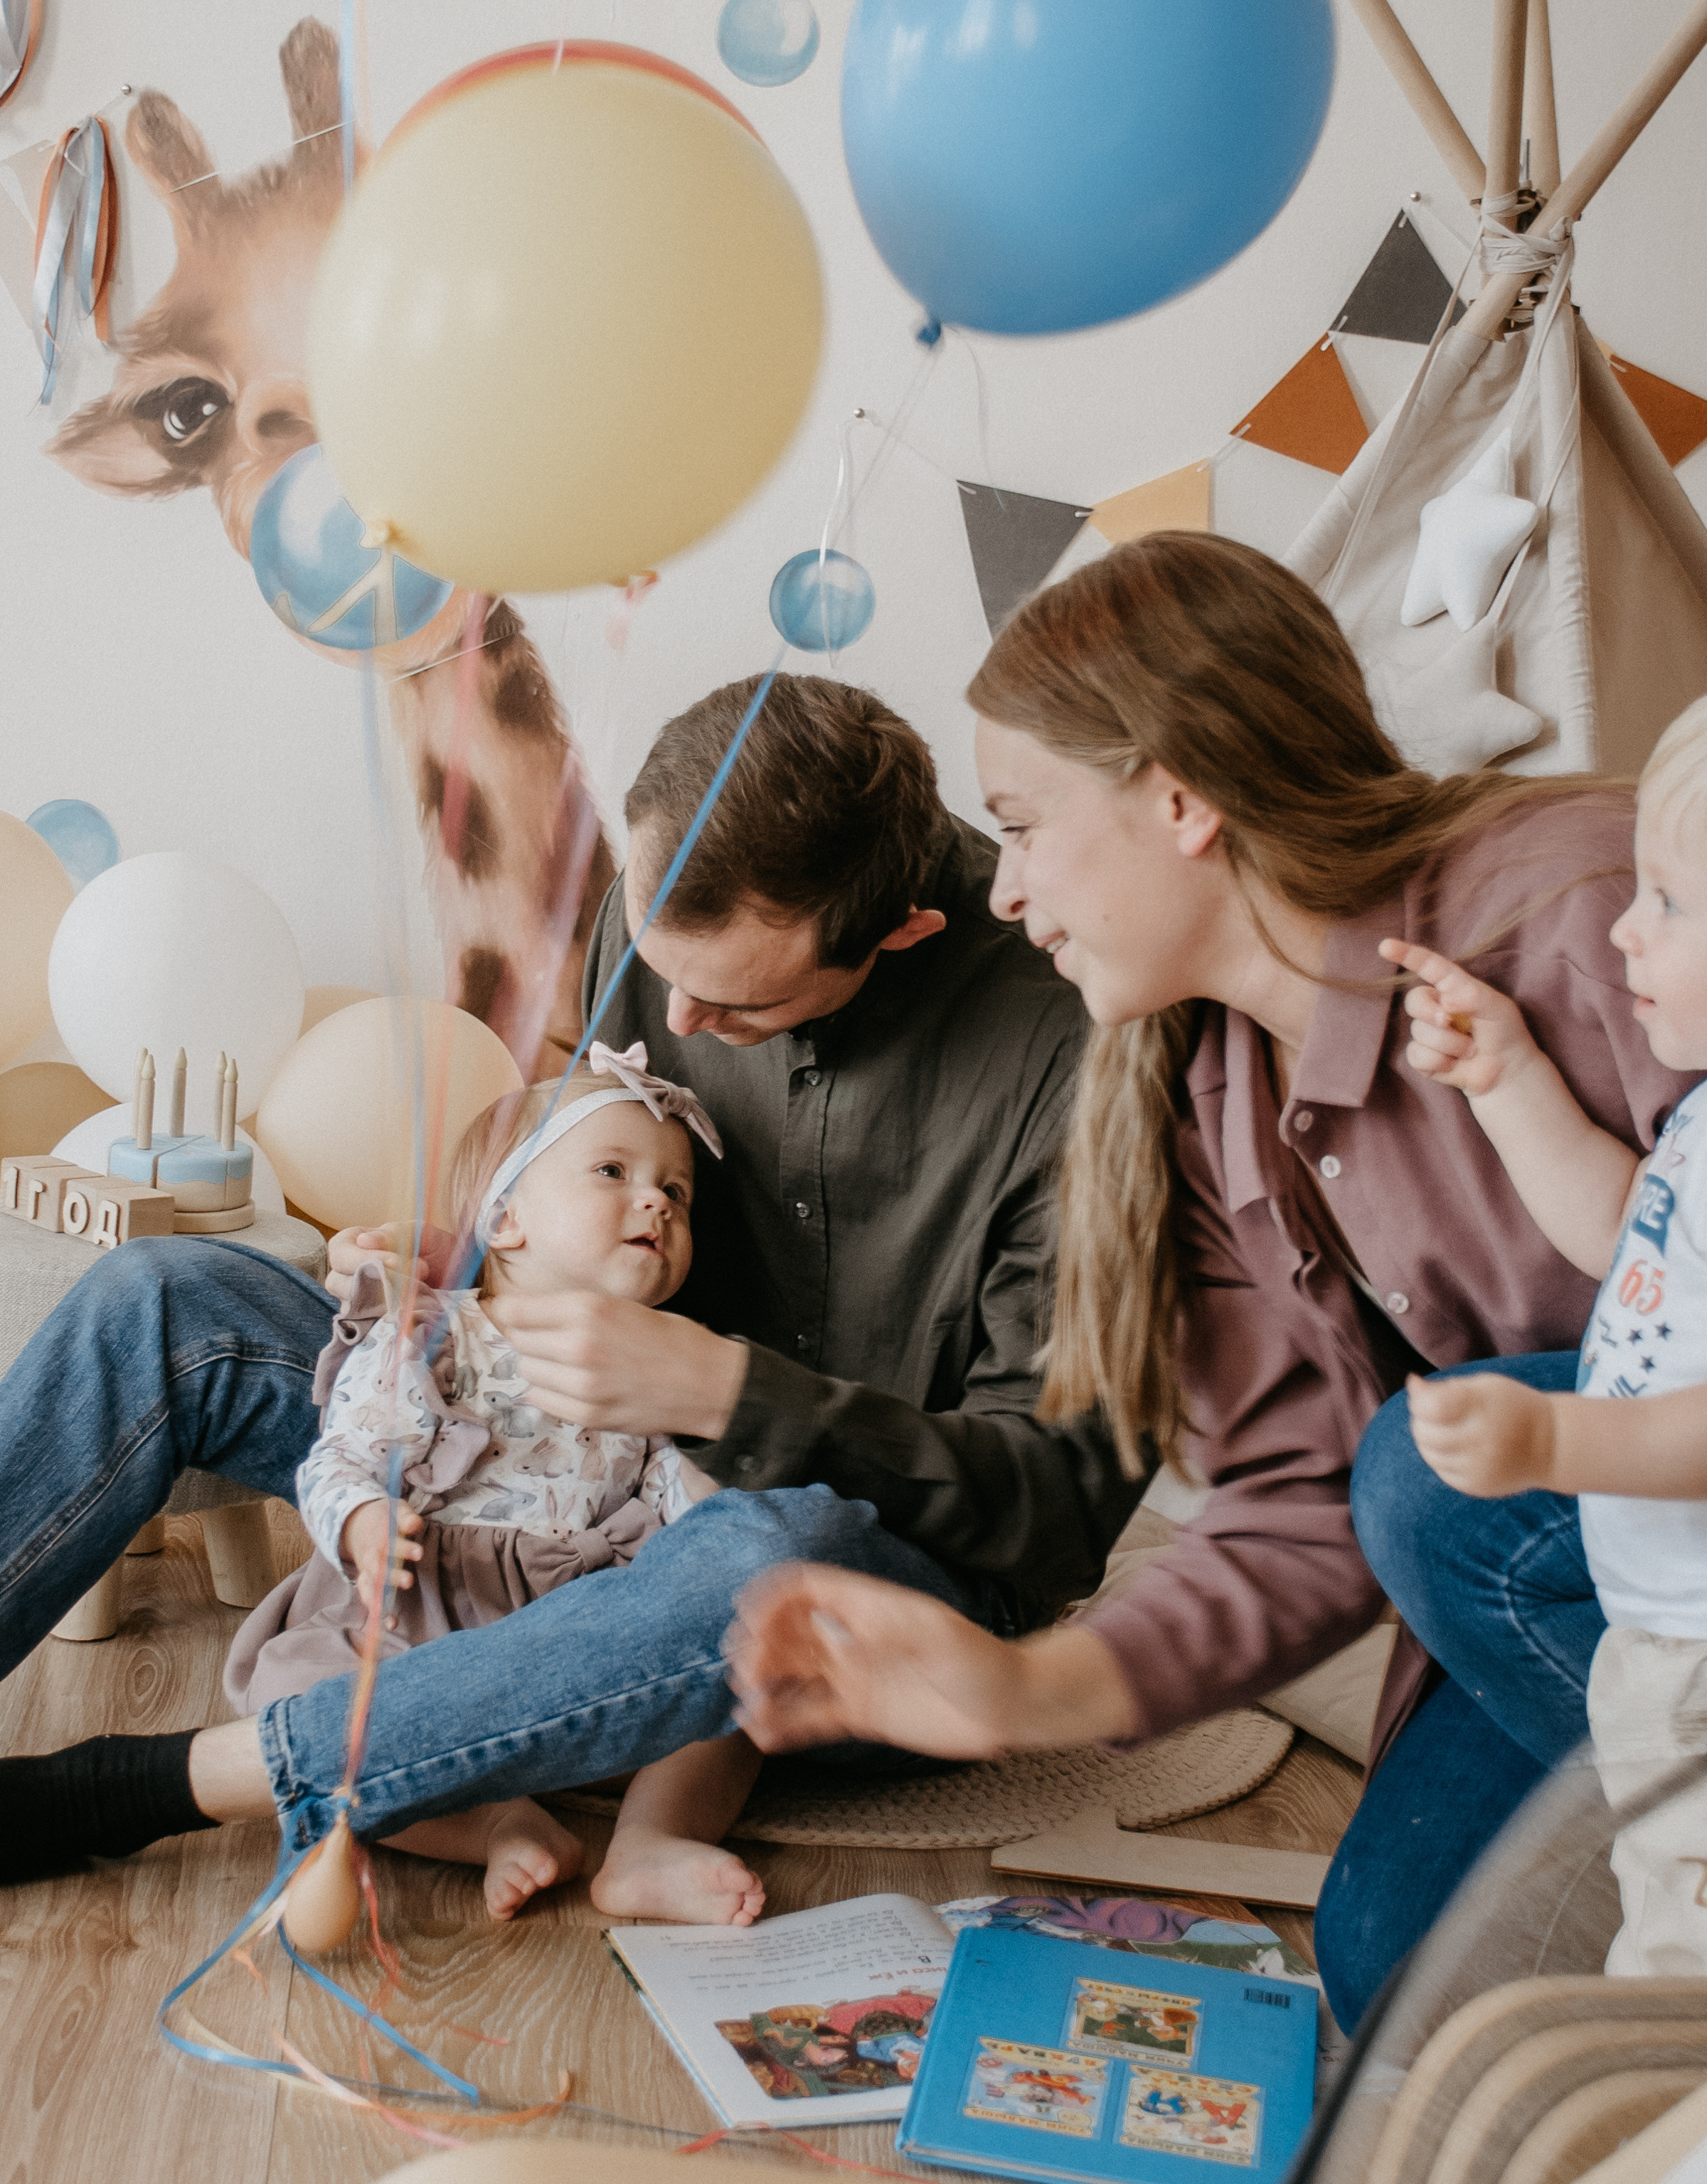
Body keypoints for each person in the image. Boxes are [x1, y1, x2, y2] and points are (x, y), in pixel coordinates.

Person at [723, 533, 1689, 2035]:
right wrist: (1016, 1690)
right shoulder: (1209, 1100)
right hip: (1614, 1590)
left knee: (1437, 1480)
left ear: (1179, 799)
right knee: (1393, 1968)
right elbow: (1297, 1517)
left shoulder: (1581, 906)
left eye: (1021, 826)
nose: (1006, 891)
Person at [0, 675, 1129, 1889]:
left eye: (733, 1003)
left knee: (767, 1549)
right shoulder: (663, 919)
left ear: (898, 934)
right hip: (552, 1466)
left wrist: (728, 1394)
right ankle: (516, 1691)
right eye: (656, 961)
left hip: (836, 1549)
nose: (677, 1014)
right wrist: (463, 1261)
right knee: (170, 1301)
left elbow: (1055, 1521)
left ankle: (139, 1789)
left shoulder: (1079, 1046)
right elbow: (581, 1174)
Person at [224, 1045, 769, 1927]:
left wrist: (724, 1554)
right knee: (308, 1710)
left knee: (734, 1684)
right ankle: (494, 1826)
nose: (658, 1202)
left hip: (589, 1625)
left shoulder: (658, 1359)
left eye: (676, 1190)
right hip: (428, 1613)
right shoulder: (437, 1334)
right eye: (613, 1172)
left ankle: (650, 1840)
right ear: (507, 1219)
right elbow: (341, 1457)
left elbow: (678, 1486)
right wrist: (365, 1522)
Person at [1390, 694, 1707, 1978]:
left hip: (1699, 1659)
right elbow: (1629, 1233)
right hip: (1661, 1635)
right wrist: (1511, 1081)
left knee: (1677, 1971)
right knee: (1658, 1919)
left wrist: (1551, 1443)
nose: (1625, 927)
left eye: (1670, 902)